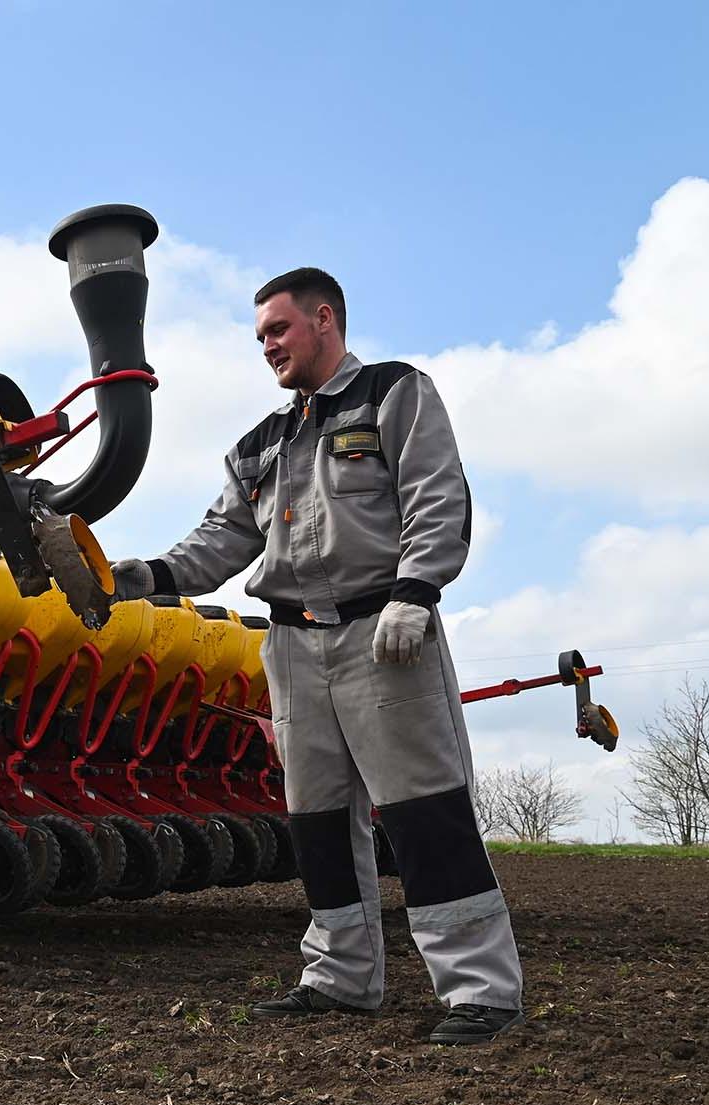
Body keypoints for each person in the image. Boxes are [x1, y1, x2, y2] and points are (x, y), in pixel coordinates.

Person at [111, 268, 524, 1045]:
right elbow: (218, 543)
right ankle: (340, 978)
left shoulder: (395, 394)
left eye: (277, 330)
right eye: (260, 336)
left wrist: (416, 591)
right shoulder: (258, 445)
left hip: (383, 631)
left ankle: (481, 991)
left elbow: (437, 494)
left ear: (323, 318)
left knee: (422, 811)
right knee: (317, 821)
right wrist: (145, 578)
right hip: (291, 648)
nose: (266, 346)